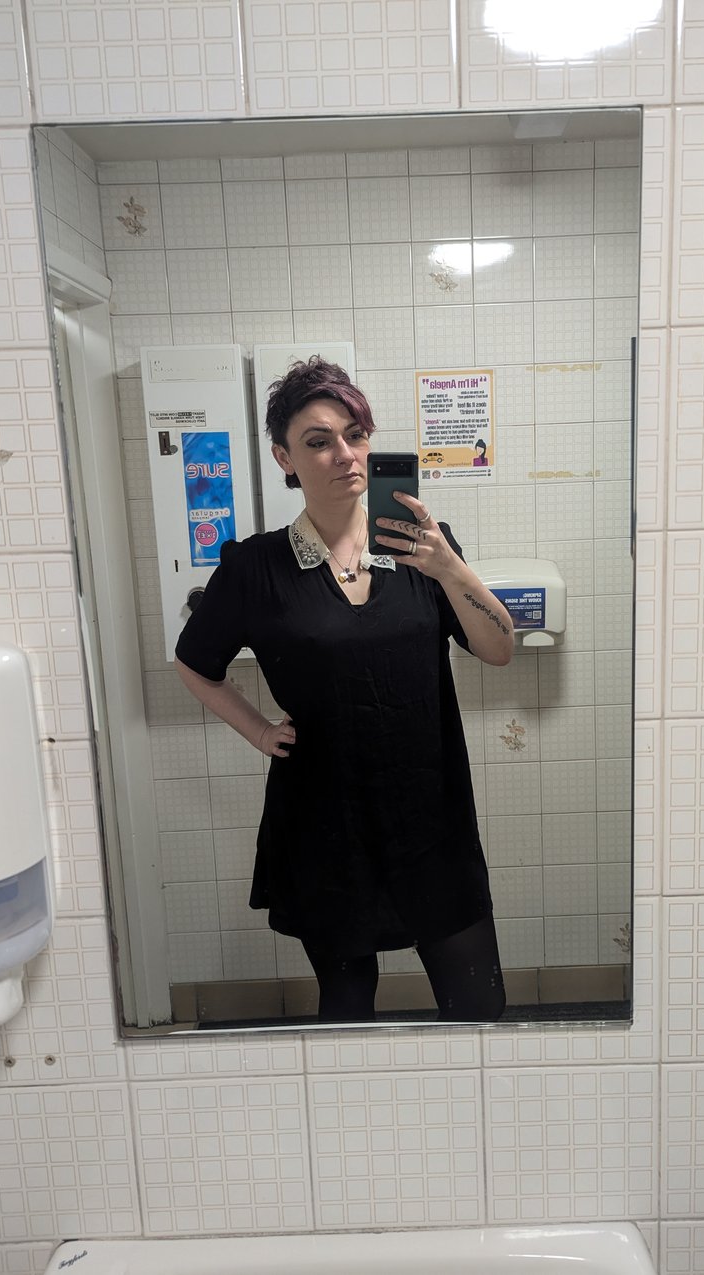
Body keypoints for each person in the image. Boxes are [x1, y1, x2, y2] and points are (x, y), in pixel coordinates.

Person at [174, 357, 514, 1024]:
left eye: (356, 434)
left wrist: (449, 565)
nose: (344, 454)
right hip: (326, 830)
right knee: (348, 1011)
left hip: (432, 821)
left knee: (480, 1003)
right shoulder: (256, 567)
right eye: (319, 440)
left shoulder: (421, 550)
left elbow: (499, 647)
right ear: (285, 457)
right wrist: (259, 729)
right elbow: (194, 663)